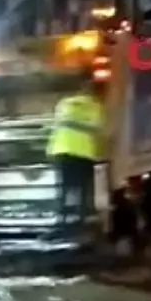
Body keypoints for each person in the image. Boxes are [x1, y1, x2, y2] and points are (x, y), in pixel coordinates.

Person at [47, 77, 105, 226]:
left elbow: (56, 127)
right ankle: (80, 219)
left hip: (62, 151)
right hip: (83, 153)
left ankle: (61, 220)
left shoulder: (64, 104)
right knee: (82, 188)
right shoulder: (94, 107)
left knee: (64, 187)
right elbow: (98, 129)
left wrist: (50, 150)